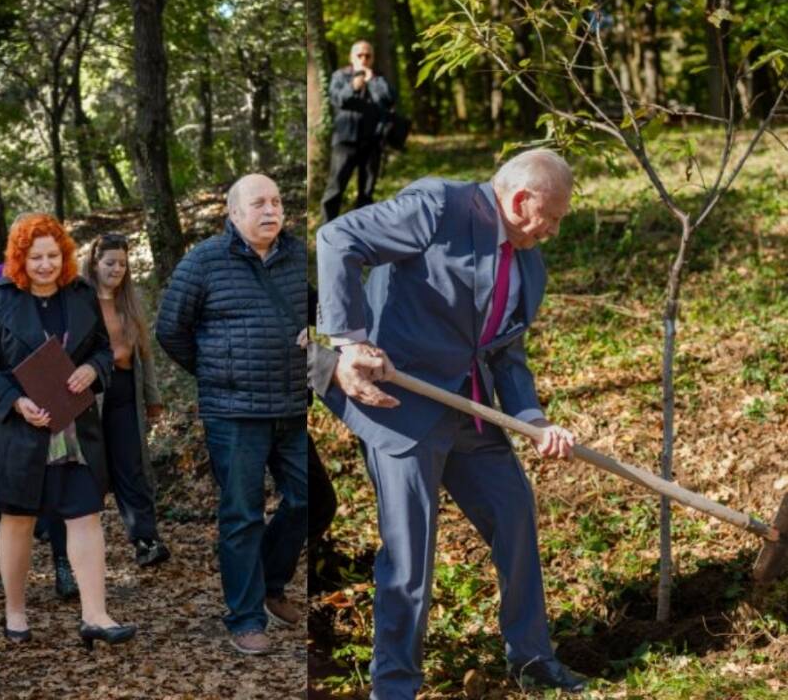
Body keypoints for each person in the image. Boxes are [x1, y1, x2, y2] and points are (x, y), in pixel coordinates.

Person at [315, 149, 587, 697]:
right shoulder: (439, 207)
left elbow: (506, 353)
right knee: (409, 554)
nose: (554, 230)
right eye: (552, 216)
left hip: (471, 411)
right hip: (402, 406)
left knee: (514, 515)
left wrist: (532, 418)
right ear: (519, 200)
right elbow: (338, 239)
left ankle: (532, 658)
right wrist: (349, 342)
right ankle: (394, 685)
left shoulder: (528, 263)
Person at [0, 212, 135, 647]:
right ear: (20, 258)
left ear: (65, 256)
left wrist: (93, 371)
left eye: (53, 255)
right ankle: (15, 610)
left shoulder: (80, 293)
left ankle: (95, 614)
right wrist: (15, 402)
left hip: (75, 431)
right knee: (18, 519)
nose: (45, 264)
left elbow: (100, 348)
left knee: (85, 514)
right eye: (35, 256)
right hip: (19, 431)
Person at [156, 173, 308, 655]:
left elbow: (321, 313)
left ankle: (269, 582)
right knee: (241, 515)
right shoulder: (203, 262)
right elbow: (169, 330)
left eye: (277, 201)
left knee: (306, 501)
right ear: (235, 213)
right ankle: (244, 618)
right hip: (234, 413)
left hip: (292, 406)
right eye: (259, 203)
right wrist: (216, 372)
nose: (271, 210)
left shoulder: (297, 255)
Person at [81, 233, 170, 567]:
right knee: (91, 469)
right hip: (91, 393)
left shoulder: (130, 301)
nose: (117, 269)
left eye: (122, 263)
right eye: (110, 263)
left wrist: (153, 399)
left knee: (132, 466)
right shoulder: (80, 299)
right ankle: (76, 544)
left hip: (125, 392)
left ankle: (146, 539)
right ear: (94, 262)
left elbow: (143, 355)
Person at [321, 40, 396, 223]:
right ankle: (327, 230)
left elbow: (389, 99)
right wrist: (353, 86)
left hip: (372, 142)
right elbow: (338, 100)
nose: (363, 59)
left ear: (372, 58)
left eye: (368, 55)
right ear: (351, 57)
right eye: (359, 55)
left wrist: (373, 82)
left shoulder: (379, 78)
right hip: (345, 141)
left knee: (367, 192)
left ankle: (361, 234)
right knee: (335, 189)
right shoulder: (340, 76)